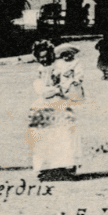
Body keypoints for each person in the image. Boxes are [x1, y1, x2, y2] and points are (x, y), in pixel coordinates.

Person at [27, 41, 83, 181]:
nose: (44, 59)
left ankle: (67, 167)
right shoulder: (39, 69)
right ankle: (45, 168)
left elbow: (67, 84)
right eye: (41, 57)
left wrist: (58, 89)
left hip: (60, 102)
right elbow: (41, 90)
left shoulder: (60, 66)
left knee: (65, 133)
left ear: (52, 54)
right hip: (44, 103)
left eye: (46, 56)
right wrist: (52, 90)